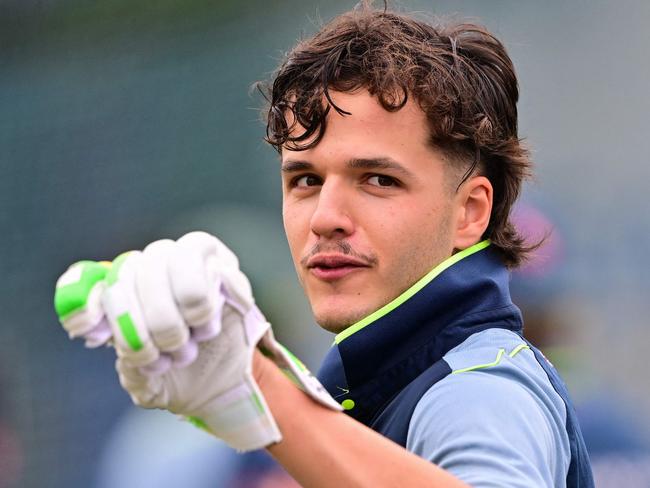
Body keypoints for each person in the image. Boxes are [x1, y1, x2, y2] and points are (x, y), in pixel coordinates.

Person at [54, 3, 594, 487]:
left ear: (470, 213)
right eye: (305, 181)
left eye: (379, 180)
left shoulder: (476, 390)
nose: (326, 218)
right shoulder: (377, 380)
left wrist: (256, 386)